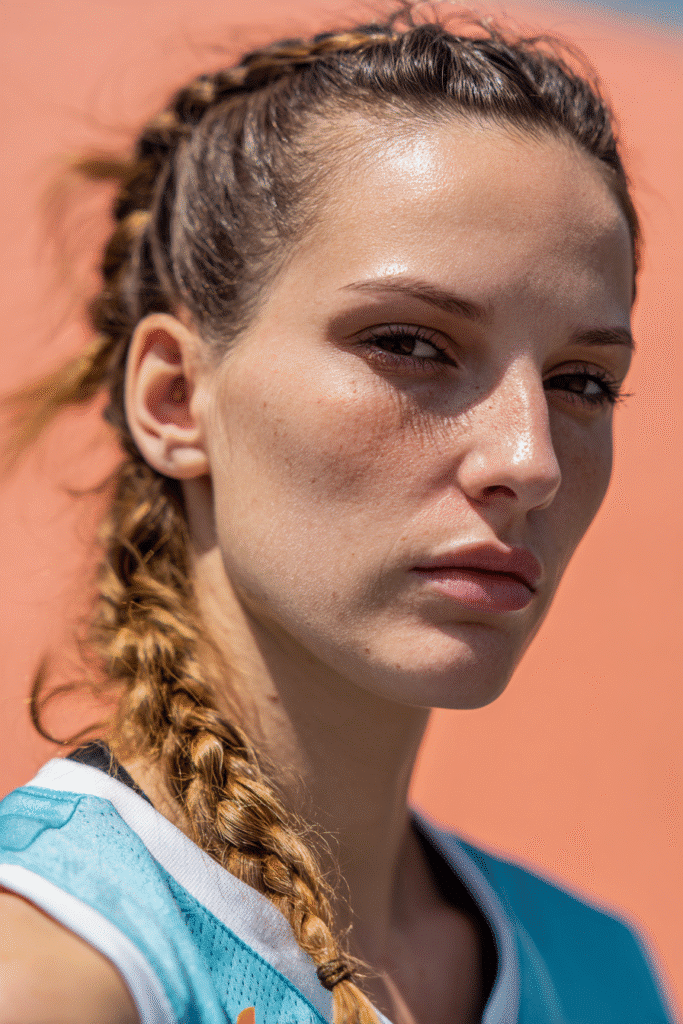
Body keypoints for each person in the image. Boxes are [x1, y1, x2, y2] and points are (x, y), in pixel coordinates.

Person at [0, 4, 674, 1023]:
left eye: (580, 379)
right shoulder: (54, 974)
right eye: (410, 343)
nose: (527, 460)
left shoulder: (600, 973)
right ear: (176, 397)